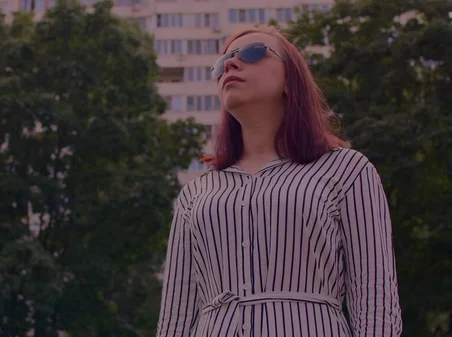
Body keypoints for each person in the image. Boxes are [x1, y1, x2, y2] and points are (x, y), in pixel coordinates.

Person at [155, 25, 402, 337]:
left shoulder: (347, 171)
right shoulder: (195, 193)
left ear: (291, 79)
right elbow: (175, 319)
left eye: (252, 53)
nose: (230, 64)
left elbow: (375, 298)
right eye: (222, 63)